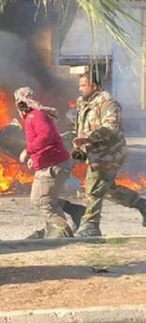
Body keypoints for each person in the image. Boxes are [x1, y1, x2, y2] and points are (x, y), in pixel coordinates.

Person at [71, 71, 146, 237]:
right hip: (94, 154)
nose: (80, 89)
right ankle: (141, 204)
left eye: (83, 85)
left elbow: (111, 128)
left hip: (109, 154)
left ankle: (91, 226)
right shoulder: (83, 103)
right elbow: (81, 127)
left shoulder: (108, 104)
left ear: (94, 86)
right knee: (108, 190)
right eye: (79, 86)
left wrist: (89, 137)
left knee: (94, 188)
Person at [15, 87, 85, 238]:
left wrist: (28, 151)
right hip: (53, 162)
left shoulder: (36, 116)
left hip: (54, 165)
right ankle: (74, 210)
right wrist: (34, 158)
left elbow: (45, 136)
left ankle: (62, 235)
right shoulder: (35, 115)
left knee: (45, 202)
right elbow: (48, 140)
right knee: (37, 199)